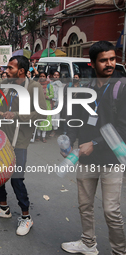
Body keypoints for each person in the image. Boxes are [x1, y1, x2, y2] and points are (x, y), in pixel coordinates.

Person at [0, 56, 47, 236]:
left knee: (16, 178)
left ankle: (26, 217)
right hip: (2, 136)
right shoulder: (5, 84)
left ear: (21, 71)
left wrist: (17, 115)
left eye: (10, 68)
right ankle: (3, 208)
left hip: (19, 139)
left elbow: (41, 113)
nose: (6, 70)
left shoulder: (33, 88)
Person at [61, 41, 126, 255]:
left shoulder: (122, 88)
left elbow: (122, 128)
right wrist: (69, 141)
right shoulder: (85, 90)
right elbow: (75, 121)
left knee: (111, 211)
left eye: (112, 59)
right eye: (104, 60)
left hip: (111, 159)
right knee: (84, 205)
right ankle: (88, 243)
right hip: (86, 158)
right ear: (92, 63)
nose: (109, 64)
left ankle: (119, 251)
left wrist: (95, 143)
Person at [36, 72, 53, 143]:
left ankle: (43, 136)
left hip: (47, 105)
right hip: (38, 104)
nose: (42, 77)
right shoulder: (37, 85)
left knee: (45, 120)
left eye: (43, 76)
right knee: (39, 120)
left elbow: (52, 95)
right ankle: (38, 136)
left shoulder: (49, 85)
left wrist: (47, 97)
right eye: (41, 76)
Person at [49, 70, 64, 137]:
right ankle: (49, 129)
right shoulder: (50, 84)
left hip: (57, 103)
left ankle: (54, 131)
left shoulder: (60, 85)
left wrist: (56, 102)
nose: (56, 76)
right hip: (50, 101)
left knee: (55, 117)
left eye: (57, 75)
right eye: (55, 75)